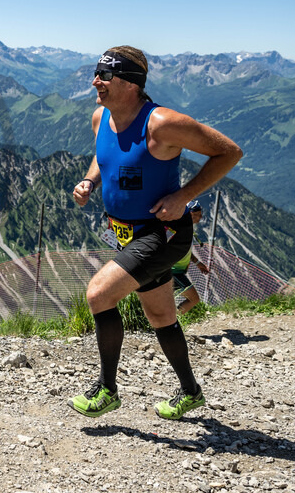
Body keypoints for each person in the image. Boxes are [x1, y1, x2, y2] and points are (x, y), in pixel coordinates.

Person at [69, 46, 242, 421]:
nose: (95, 81)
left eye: (104, 75)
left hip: (162, 232)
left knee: (99, 295)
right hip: (125, 232)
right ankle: (191, 392)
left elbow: (229, 152)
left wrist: (184, 195)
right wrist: (88, 181)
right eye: (97, 74)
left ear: (130, 84)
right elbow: (104, 156)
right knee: (161, 315)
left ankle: (106, 389)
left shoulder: (161, 123)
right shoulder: (102, 117)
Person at [173, 201, 209, 315]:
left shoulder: (186, 228)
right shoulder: (179, 229)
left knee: (162, 299)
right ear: (190, 214)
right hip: (173, 271)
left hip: (177, 270)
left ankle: (163, 324)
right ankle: (171, 323)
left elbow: (186, 252)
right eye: (198, 214)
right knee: (194, 299)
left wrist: (198, 263)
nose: (201, 216)